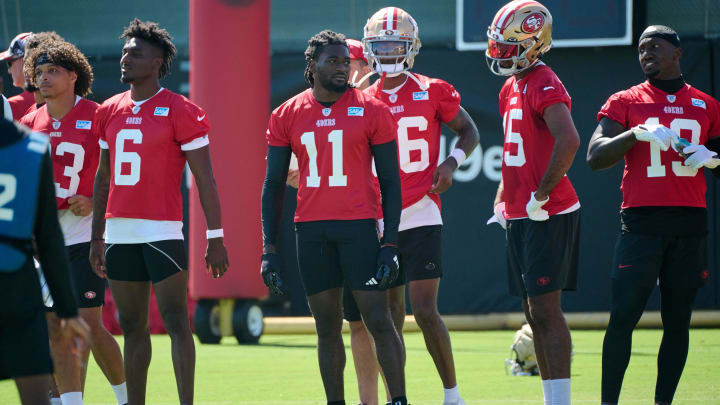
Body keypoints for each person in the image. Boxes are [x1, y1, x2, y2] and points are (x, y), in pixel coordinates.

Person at [260, 30, 409, 405]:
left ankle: (399, 400)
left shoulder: (373, 110)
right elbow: (273, 184)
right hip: (311, 231)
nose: (343, 68)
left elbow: (391, 182)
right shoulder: (286, 114)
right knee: (326, 328)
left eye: (346, 61)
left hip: (358, 227)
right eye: (334, 61)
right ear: (312, 66)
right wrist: (269, 249)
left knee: (378, 320)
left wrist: (390, 242)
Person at [88, 19, 229, 405]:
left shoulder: (181, 111)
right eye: (125, 51)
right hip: (118, 233)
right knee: (131, 327)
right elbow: (103, 180)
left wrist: (215, 237)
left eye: (135, 53)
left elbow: (205, 179)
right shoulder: (108, 110)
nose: (125, 58)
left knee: (177, 323)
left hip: (163, 230)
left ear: (158, 61)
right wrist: (97, 236)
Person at [348, 7, 481, 405]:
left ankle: (452, 394)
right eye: (380, 45)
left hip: (422, 206)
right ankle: (397, 397)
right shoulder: (360, 97)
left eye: (395, 44)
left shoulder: (433, 89)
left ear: (411, 47)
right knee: (388, 316)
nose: (388, 52)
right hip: (377, 215)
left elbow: (469, 130)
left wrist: (451, 161)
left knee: (424, 309)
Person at [586, 25, 720, 405]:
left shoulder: (707, 105)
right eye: (641, 49)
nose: (646, 53)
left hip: (690, 225)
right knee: (623, 316)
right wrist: (635, 135)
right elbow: (595, 157)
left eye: (655, 47)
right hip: (642, 223)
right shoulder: (626, 100)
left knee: (678, 320)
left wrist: (712, 159)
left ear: (677, 53)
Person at [20, 39, 127, 405]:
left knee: (88, 327)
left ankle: (127, 397)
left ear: (73, 75)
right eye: (39, 72)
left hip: (86, 238)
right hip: (44, 244)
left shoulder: (98, 115)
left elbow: (120, 171)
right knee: (55, 331)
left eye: (52, 71)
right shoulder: (28, 122)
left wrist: (97, 204)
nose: (43, 78)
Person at [485, 2, 581, 405]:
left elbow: (570, 139)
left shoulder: (543, 79)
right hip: (523, 210)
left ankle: (560, 400)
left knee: (545, 308)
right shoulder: (511, 84)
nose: (500, 53)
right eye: (498, 44)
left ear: (534, 44)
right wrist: (503, 197)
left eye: (509, 46)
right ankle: (549, 396)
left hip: (549, 209)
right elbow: (514, 149)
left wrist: (541, 193)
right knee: (531, 310)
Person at [0, 117, 90, 405]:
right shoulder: (33, 145)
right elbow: (48, 237)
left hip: (19, 286)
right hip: (17, 285)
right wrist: (68, 311)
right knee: (36, 394)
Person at [0, 32, 36, 119]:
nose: (9, 71)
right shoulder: (67, 99)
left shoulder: (8, 105)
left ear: (25, 62)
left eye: (9, 63)